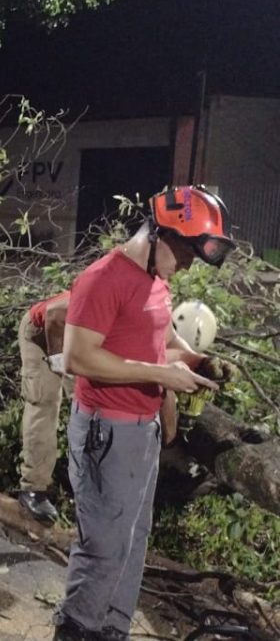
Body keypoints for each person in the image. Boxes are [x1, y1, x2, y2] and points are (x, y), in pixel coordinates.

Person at [52, 186, 236, 641]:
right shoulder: (104, 278)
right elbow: (78, 357)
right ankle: (77, 630)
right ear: (159, 233)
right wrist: (161, 374)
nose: (191, 263)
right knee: (103, 548)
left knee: (132, 542)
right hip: (106, 430)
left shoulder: (157, 280)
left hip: (142, 431)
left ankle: (110, 629)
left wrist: (196, 361)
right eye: (188, 251)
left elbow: (163, 341)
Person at [17, 290, 73, 523]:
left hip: (78, 338)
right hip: (43, 331)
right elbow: (54, 314)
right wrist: (58, 360)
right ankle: (33, 488)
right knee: (45, 402)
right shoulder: (106, 291)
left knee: (91, 408)